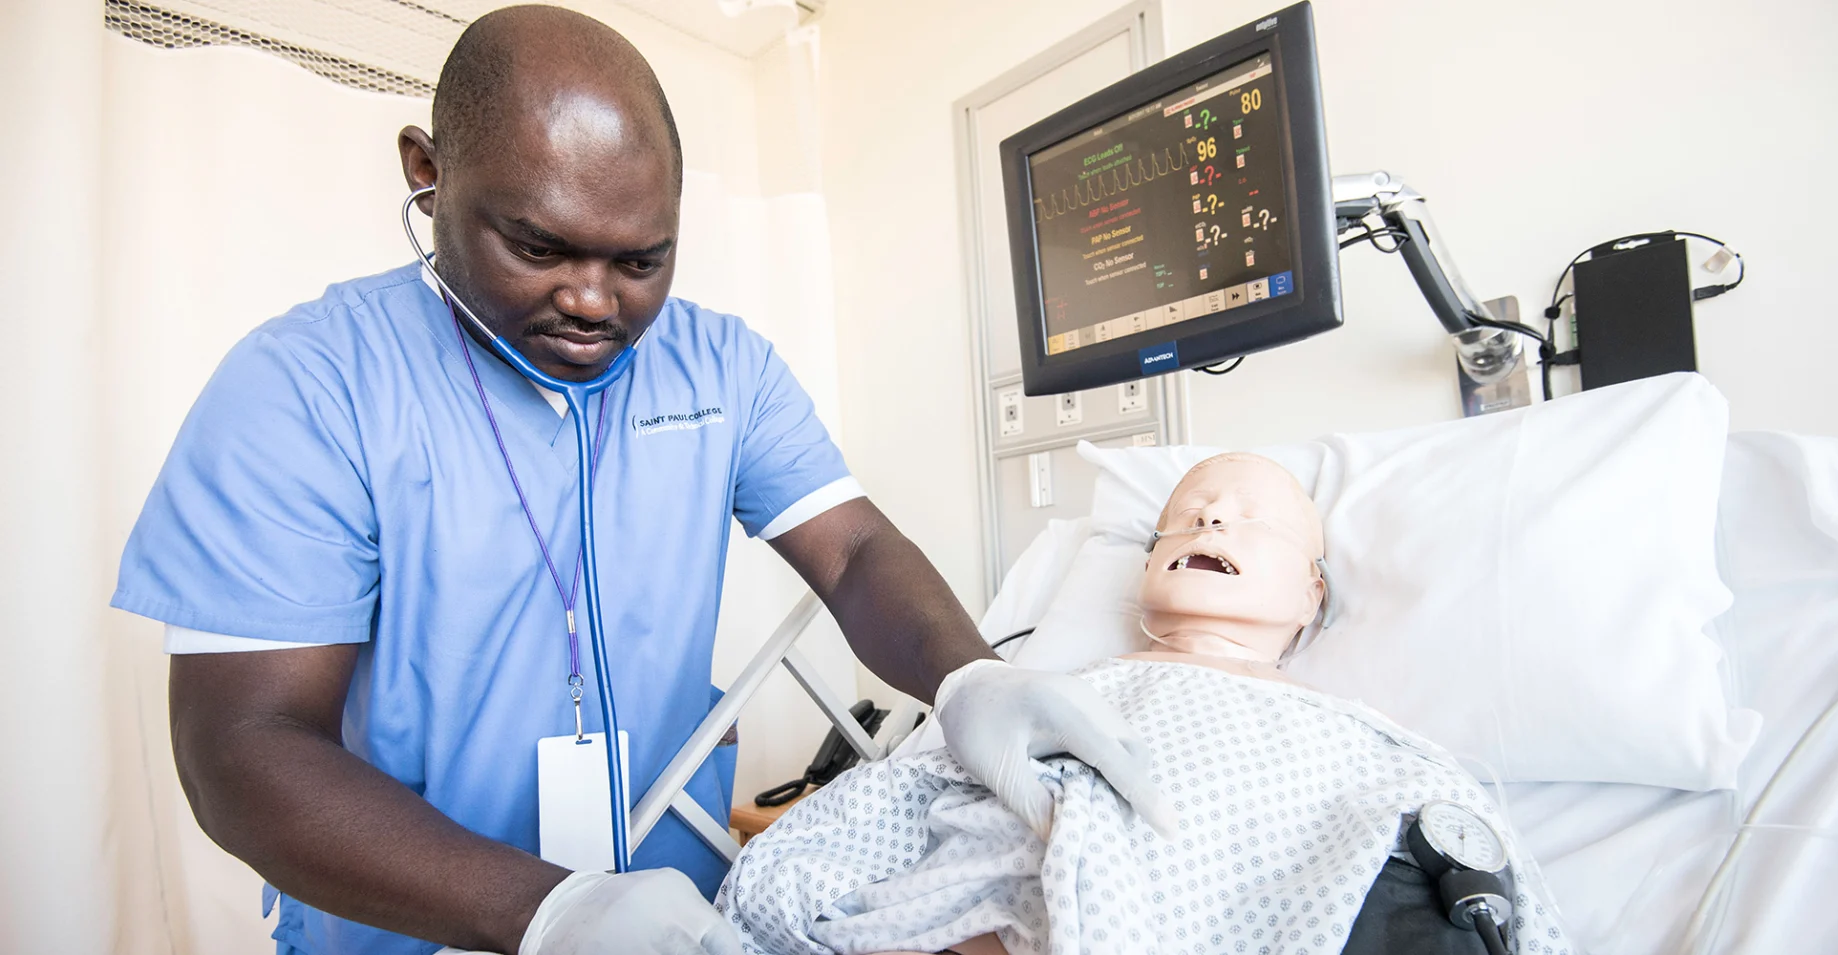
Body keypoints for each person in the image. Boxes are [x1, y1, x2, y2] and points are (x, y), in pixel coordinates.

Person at [109, 7, 1166, 955]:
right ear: (426, 172)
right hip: (413, 924)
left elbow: (851, 549)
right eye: (539, 246)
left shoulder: (722, 366)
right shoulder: (306, 389)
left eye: (640, 260)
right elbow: (243, 746)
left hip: (683, 916)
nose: (591, 301)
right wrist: (544, 911)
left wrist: (969, 677)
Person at [718, 453, 1570, 955]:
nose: (1210, 524)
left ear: (1312, 594)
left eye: (1250, 521)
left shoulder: (1367, 752)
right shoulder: (1037, 698)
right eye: (1189, 516)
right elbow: (881, 821)